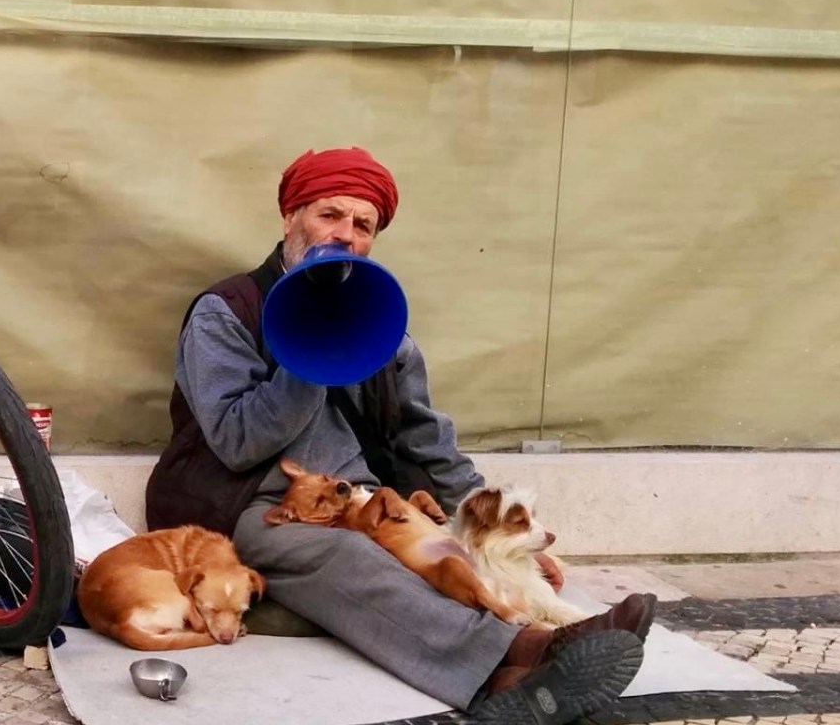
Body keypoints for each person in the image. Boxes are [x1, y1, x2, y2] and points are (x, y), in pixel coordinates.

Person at [145, 147, 658, 723]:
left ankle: (545, 645)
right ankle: (514, 659)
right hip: (248, 500)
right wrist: (310, 352)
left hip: (361, 500)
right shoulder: (226, 311)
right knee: (348, 555)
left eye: (363, 225)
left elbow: (425, 437)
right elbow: (236, 442)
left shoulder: (378, 323)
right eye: (329, 215)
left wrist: (493, 521)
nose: (345, 235)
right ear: (290, 218)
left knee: (439, 551)